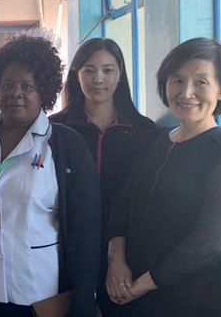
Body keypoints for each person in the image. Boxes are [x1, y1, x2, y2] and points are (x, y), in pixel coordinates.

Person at [0, 32, 100, 317]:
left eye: (28, 85)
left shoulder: (66, 145)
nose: (16, 93)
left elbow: (86, 232)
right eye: (8, 85)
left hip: (39, 293)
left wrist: (83, 302)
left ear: (44, 91)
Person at [105, 38, 221, 317]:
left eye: (201, 82)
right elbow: (123, 204)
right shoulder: (154, 140)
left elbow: (208, 244)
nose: (186, 92)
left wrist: (141, 285)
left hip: (192, 300)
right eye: (177, 80)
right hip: (132, 294)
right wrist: (116, 261)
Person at [50, 38, 154, 316]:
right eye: (88, 70)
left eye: (108, 70)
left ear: (120, 75)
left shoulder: (144, 131)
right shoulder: (54, 129)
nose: (98, 79)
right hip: (65, 247)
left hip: (126, 252)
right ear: (76, 75)